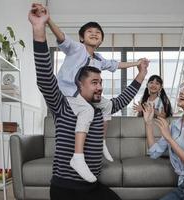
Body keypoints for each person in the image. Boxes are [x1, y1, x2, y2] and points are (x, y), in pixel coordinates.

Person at [28, 3, 148, 199]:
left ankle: (101, 143)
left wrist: (141, 73)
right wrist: (40, 28)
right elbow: (44, 77)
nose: (100, 87)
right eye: (94, 83)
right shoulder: (62, 106)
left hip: (91, 187)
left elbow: (121, 100)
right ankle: (78, 158)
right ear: (79, 84)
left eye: (101, 82)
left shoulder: (99, 105)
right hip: (65, 188)